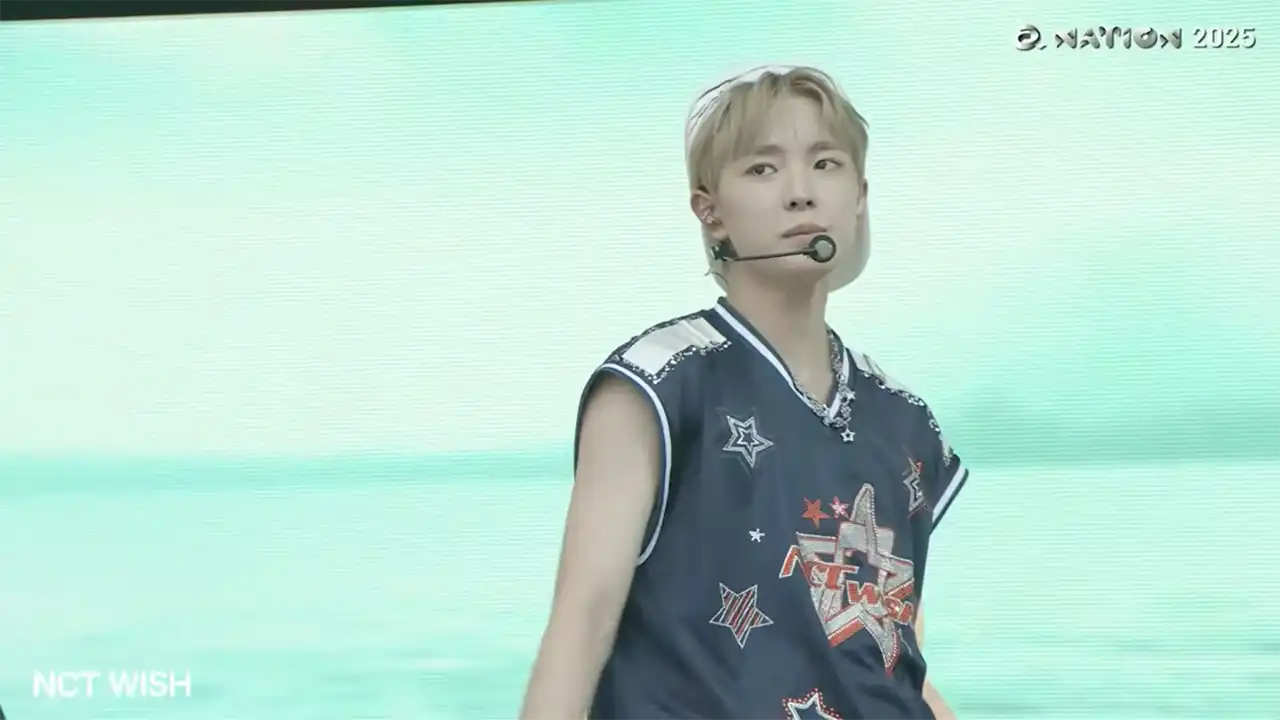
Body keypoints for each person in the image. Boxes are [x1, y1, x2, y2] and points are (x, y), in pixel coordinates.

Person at [520, 65, 967, 720]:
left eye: (826, 164)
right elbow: (581, 625)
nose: (800, 193)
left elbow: (896, 658)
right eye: (763, 168)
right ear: (709, 211)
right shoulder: (659, 384)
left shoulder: (904, 419)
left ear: (859, 195)